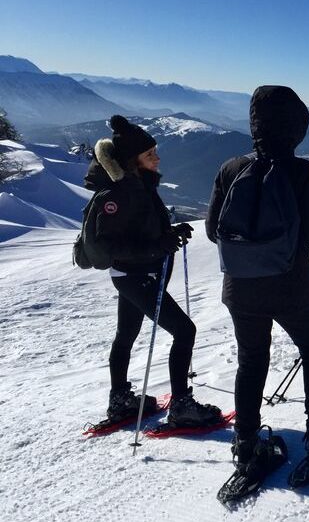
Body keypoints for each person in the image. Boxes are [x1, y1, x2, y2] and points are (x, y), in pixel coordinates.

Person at [206, 86, 309, 491]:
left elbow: (211, 231)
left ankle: (246, 441)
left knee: (251, 360)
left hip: (240, 290)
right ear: (295, 128)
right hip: (290, 288)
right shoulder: (301, 172)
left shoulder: (231, 167)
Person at [85, 115, 222, 427]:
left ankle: (120, 399)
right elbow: (110, 246)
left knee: (126, 335)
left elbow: (141, 230)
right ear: (134, 161)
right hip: (136, 276)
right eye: (150, 154)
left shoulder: (139, 187)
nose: (158, 157)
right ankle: (182, 406)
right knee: (185, 331)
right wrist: (159, 246)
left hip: (135, 276)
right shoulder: (119, 195)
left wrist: (170, 233)